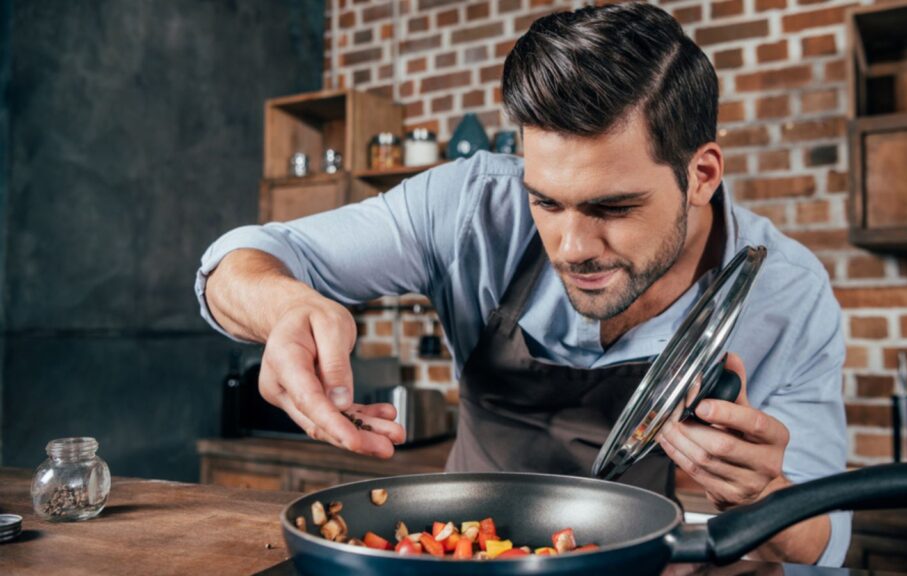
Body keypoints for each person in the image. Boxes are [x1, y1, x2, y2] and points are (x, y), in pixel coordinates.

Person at [196, 2, 849, 566]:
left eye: (612, 208)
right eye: (546, 202)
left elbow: (829, 538)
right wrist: (285, 306)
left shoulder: (787, 294)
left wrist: (764, 497)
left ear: (701, 174)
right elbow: (242, 258)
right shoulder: (470, 206)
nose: (571, 249)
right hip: (459, 560)